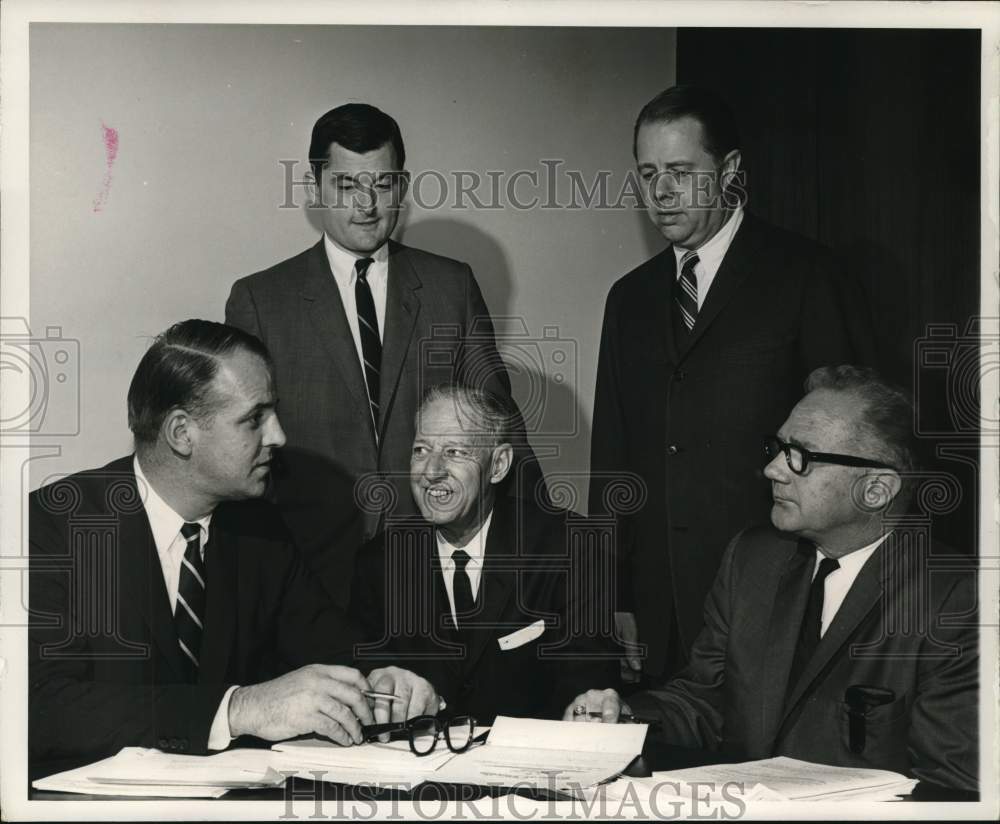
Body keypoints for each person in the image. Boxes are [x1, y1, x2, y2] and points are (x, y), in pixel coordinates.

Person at [29, 320, 437, 772]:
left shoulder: (259, 531)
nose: (278, 436)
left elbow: (333, 645)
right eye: (254, 418)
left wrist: (384, 678)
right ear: (182, 433)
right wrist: (238, 709)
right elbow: (40, 707)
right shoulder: (50, 529)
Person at [568, 366, 978, 792]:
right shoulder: (753, 559)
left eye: (801, 456)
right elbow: (705, 701)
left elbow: (950, 789)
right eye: (778, 448)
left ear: (875, 490)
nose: (772, 470)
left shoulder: (958, 602)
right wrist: (622, 720)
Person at [590, 84, 876, 683]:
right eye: (646, 174)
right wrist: (611, 593)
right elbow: (612, 456)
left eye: (680, 171)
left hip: (778, 590)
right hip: (658, 605)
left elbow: (854, 451)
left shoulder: (806, 275)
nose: (660, 192)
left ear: (730, 171)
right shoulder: (629, 298)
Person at [226, 103, 543, 611]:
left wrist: (547, 554)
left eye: (383, 184)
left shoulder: (451, 286)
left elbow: (500, 429)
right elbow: (241, 455)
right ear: (315, 186)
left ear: (403, 185)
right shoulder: (261, 300)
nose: (367, 205)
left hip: (431, 569)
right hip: (307, 576)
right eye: (347, 186)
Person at [351, 384, 615, 723]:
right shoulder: (379, 563)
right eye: (421, 450)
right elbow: (368, 684)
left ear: (499, 464)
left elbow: (589, 692)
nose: (431, 471)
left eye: (454, 452)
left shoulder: (570, 549)